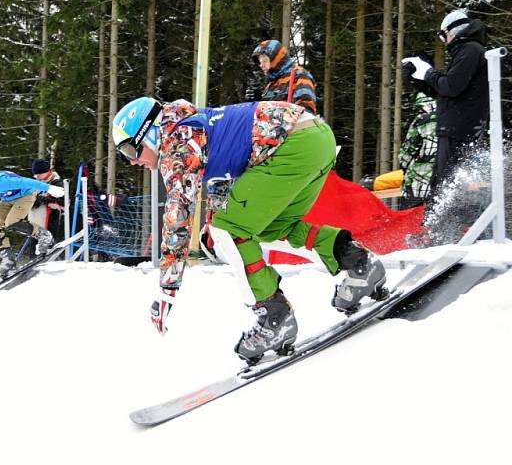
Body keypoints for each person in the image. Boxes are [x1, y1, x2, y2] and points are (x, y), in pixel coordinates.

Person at [111, 96, 387, 364]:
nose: (134, 162)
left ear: (149, 135)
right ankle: (358, 263)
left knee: (227, 230)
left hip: (293, 146)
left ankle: (273, 316)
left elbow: (177, 217)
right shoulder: (192, 127)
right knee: (271, 228)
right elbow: (225, 178)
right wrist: (212, 219)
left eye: (130, 151)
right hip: (317, 137)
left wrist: (166, 290)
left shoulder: (177, 145)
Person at [402, 10, 490, 205]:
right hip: (455, 125)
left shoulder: (470, 50)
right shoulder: (466, 51)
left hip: (459, 127)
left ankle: (442, 229)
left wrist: (428, 73)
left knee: (445, 184)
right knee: (442, 183)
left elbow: (451, 86)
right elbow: (446, 93)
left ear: (455, 31)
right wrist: (419, 80)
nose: (444, 41)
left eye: (444, 35)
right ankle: (435, 229)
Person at [251, 39, 318, 114]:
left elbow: (306, 111)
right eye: (260, 62)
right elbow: (265, 115)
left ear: (276, 58)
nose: (261, 65)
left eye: (265, 60)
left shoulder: (300, 75)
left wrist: (287, 117)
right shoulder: (271, 84)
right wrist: (254, 104)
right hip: (274, 125)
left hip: (295, 125)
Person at [397, 92, 437, 210]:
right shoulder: (451, 118)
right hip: (444, 183)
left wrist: (403, 165)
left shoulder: (421, 120)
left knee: (410, 220)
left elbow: (407, 153)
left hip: (418, 184)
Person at [29, 158, 64, 243]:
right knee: (33, 250)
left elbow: (64, 203)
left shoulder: (56, 183)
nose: (37, 177)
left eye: (39, 174)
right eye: (35, 175)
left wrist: (44, 200)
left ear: (47, 172)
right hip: (34, 223)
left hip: (49, 223)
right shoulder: (36, 184)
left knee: (47, 249)